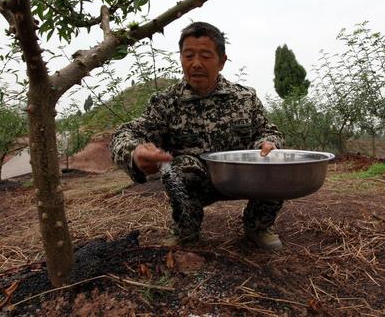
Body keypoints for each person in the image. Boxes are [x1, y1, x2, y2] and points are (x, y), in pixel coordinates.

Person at [110, 22, 286, 249]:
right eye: (188, 55)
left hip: (243, 179)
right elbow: (124, 134)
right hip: (196, 182)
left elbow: (267, 130)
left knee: (275, 161)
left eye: (205, 55)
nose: (196, 64)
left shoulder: (245, 98)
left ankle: (258, 226)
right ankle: (186, 230)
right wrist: (134, 153)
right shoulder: (165, 102)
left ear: (221, 61)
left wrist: (268, 143)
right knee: (181, 167)